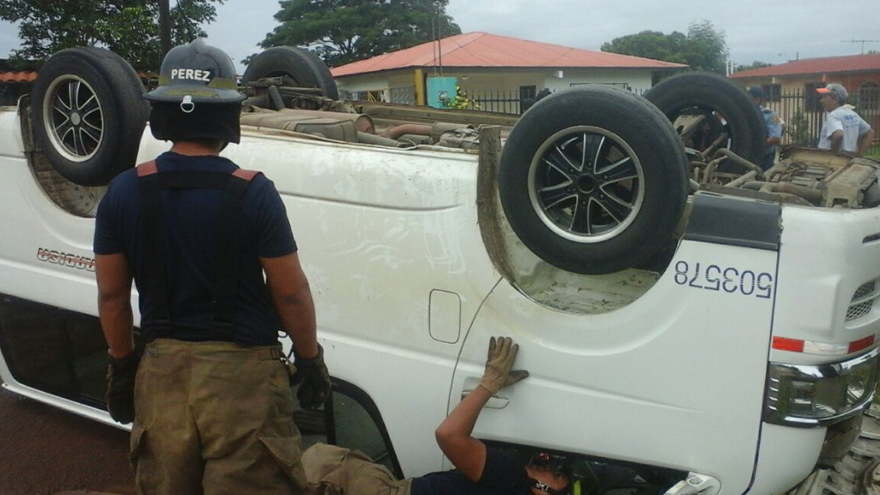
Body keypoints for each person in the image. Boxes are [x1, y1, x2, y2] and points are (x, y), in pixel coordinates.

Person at [94, 38, 331, 495]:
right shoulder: (253, 191)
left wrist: (122, 367)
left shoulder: (123, 191)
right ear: (227, 116)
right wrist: (309, 358)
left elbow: (111, 295)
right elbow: (290, 292)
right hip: (243, 381)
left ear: (161, 115)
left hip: (162, 376)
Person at [301, 336, 574, 495]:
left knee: (295, 471)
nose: (546, 464)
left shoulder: (513, 480)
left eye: (555, 473)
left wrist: (489, 383)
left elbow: (448, 435)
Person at [817, 83, 875, 156]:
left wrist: (833, 156)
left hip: (829, 160)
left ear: (835, 99)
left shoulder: (834, 115)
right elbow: (870, 133)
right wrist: (858, 156)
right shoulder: (853, 114)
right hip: (848, 158)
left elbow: (838, 134)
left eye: (825, 97)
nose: (822, 101)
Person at [748, 86, 784, 170]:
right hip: (744, 157)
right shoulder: (744, 115)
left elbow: (776, 138)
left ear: (757, 99)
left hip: (764, 158)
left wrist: (756, 145)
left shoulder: (771, 115)